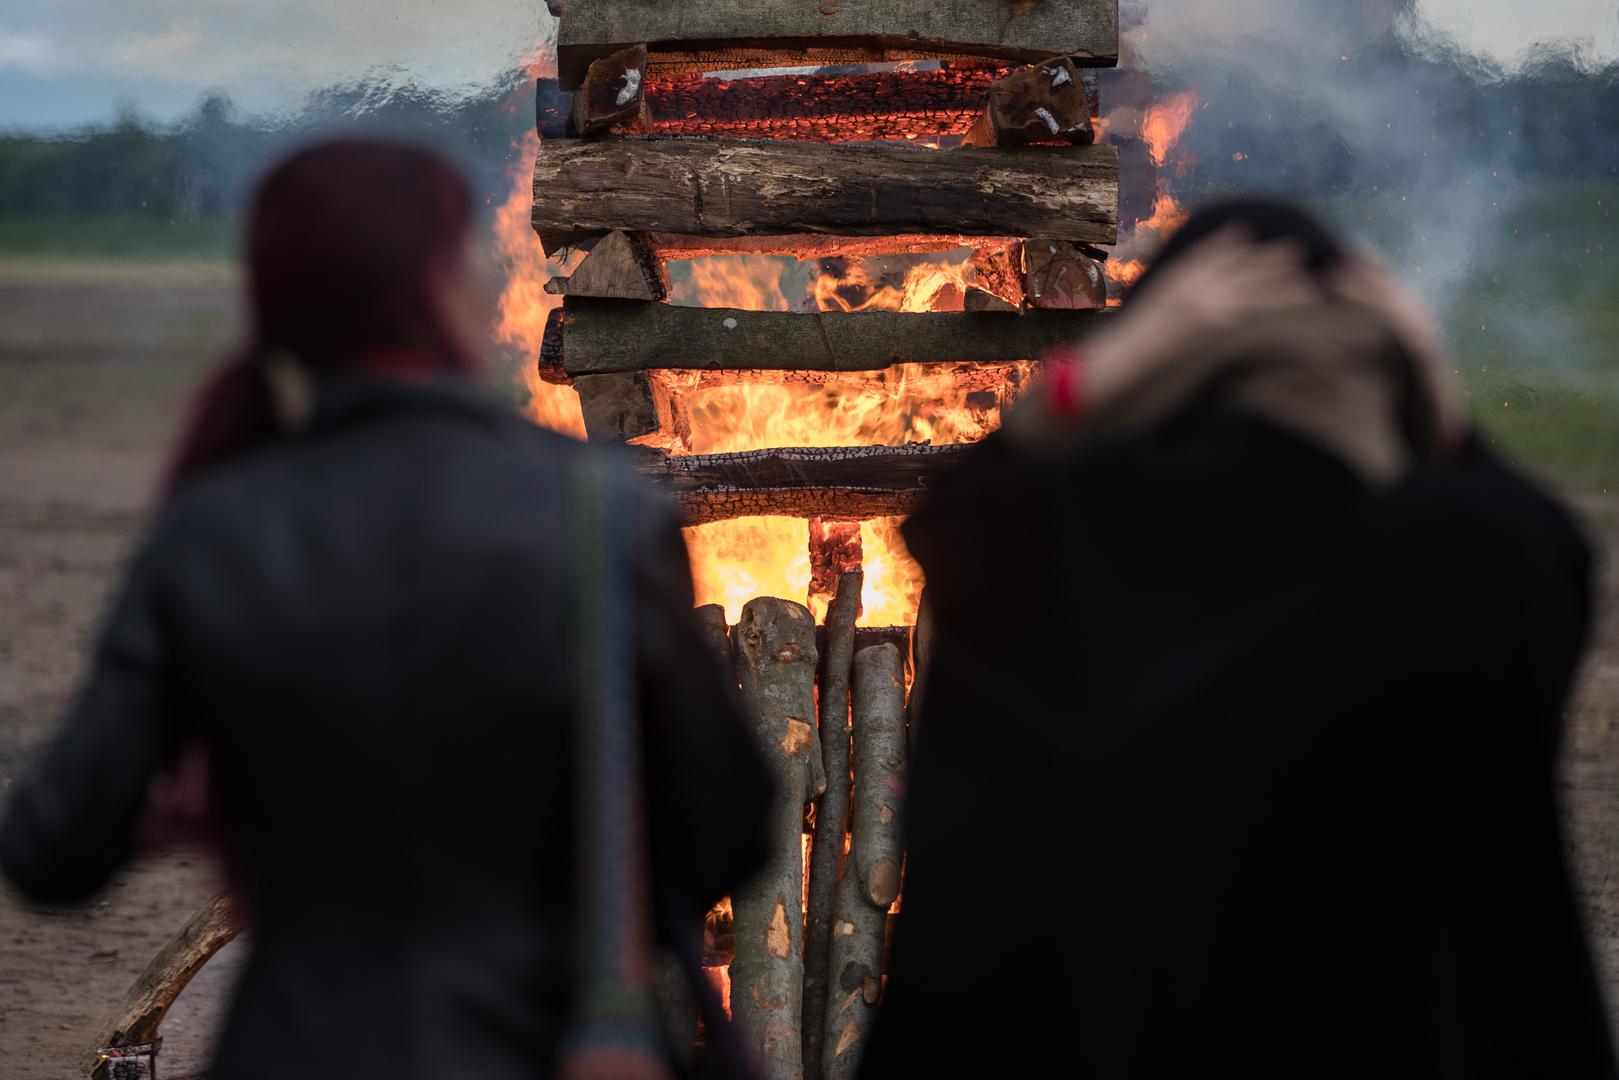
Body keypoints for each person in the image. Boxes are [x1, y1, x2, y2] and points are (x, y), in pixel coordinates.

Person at [0, 140, 772, 1080]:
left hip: (298, 1045)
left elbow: (51, 849)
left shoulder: (216, 527)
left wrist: (187, 801)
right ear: (441, 284)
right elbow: (730, 824)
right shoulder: (599, 509)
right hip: (537, 1041)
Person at [862, 200, 1616, 1078]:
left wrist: (1108, 369)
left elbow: (961, 521)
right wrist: (1424, 373)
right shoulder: (1469, 568)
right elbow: (1542, 539)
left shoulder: (1091, 540)